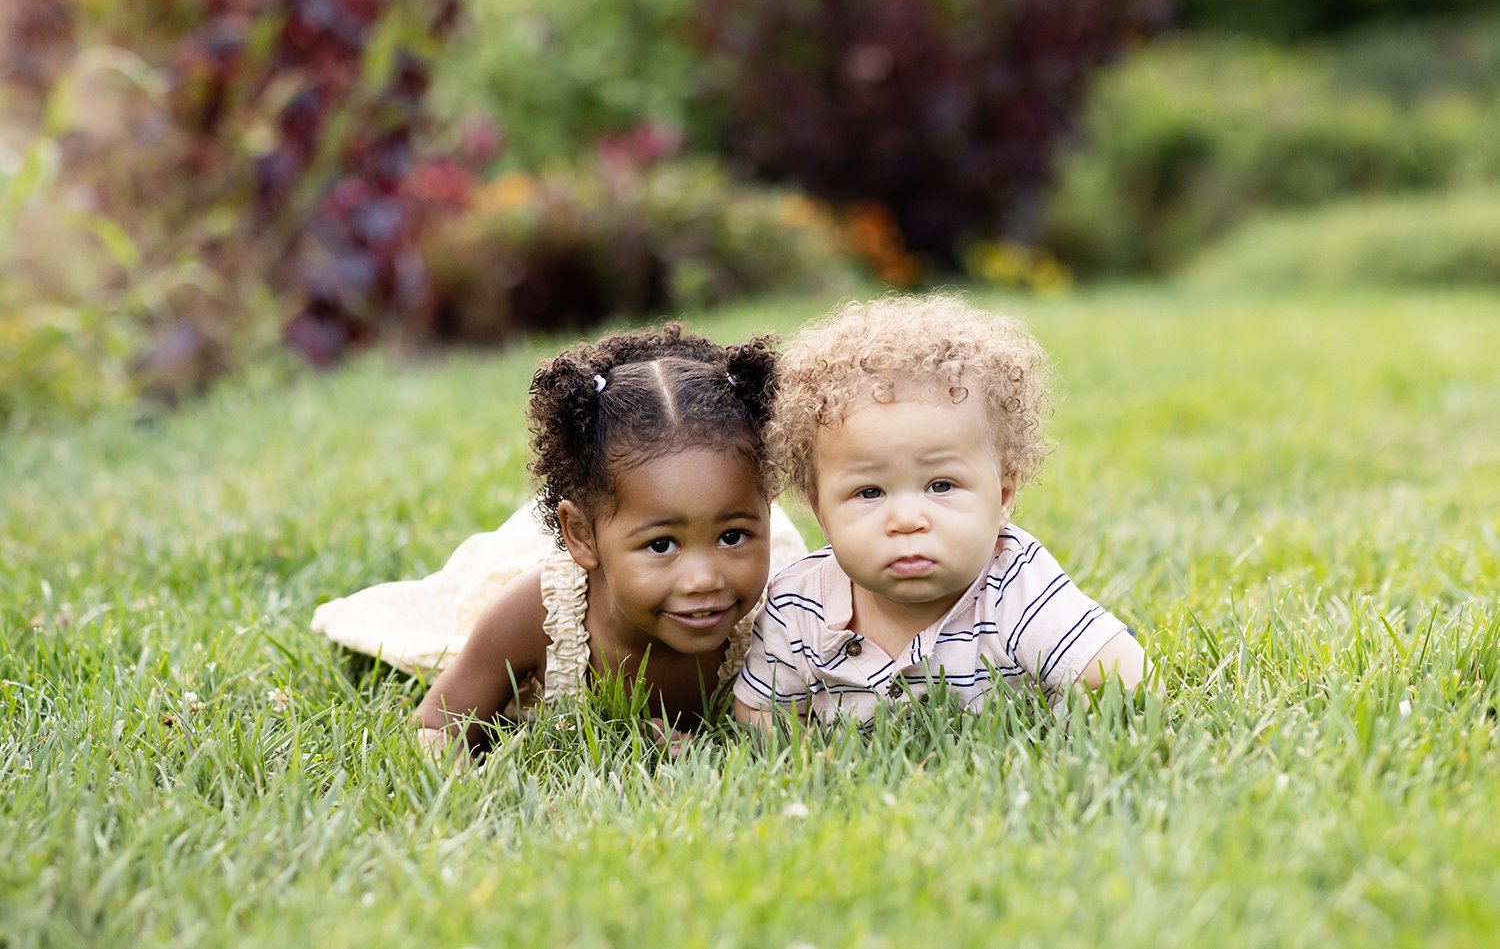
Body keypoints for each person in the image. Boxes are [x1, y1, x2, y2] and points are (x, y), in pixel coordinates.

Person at [311, 324, 807, 755]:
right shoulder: (537, 616)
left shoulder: (786, 616)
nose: (704, 578)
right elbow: (438, 726)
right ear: (581, 537)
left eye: (733, 536)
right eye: (662, 545)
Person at [733, 294, 1150, 729]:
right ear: (821, 511)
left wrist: (1058, 740)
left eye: (941, 485)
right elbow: (762, 709)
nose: (907, 520)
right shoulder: (798, 602)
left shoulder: (1014, 584)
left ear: (1003, 496)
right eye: (870, 492)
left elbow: (1128, 680)